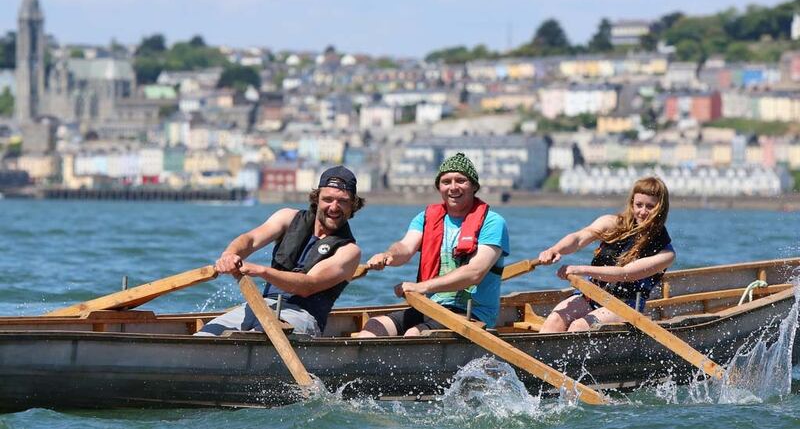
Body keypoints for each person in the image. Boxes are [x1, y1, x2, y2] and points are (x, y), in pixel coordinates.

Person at [195, 166, 364, 337]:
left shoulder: (349, 251)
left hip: (301, 315)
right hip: (260, 305)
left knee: (252, 340)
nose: (334, 207)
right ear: (316, 199)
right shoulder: (287, 217)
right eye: (328, 199)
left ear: (353, 205)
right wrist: (230, 255)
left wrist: (261, 271)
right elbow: (250, 239)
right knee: (203, 336)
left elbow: (308, 285)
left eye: (342, 201)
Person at [356, 153, 510, 337]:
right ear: (439, 187)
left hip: (473, 313)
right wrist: (387, 255)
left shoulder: (492, 223)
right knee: (374, 327)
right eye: (446, 182)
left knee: (415, 334)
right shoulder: (426, 218)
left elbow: (475, 273)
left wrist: (422, 287)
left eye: (461, 180)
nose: (453, 187)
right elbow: (405, 248)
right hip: (430, 307)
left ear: (474, 186)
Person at [538, 176, 675, 333]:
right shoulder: (612, 223)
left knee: (580, 326)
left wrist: (580, 270)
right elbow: (579, 238)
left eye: (650, 206)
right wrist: (555, 250)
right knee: (556, 319)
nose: (643, 212)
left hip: (625, 304)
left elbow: (624, 273)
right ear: (632, 203)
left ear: (661, 208)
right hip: (592, 295)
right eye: (639, 205)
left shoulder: (665, 253)